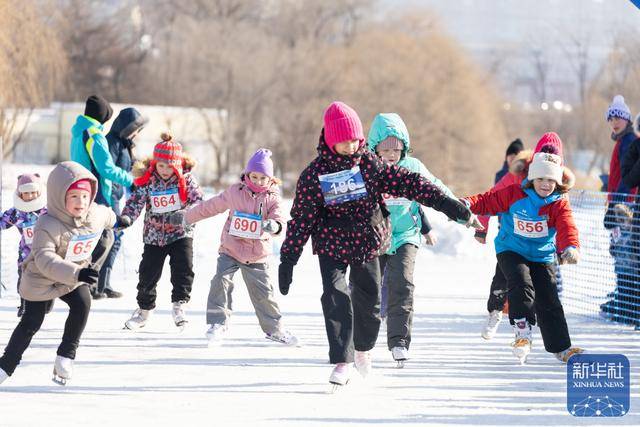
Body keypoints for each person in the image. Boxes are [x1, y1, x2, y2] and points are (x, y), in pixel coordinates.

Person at [278, 101, 482, 388]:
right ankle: (342, 359)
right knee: (335, 297)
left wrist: (454, 208)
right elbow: (302, 219)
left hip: (367, 240)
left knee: (369, 299)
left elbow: (413, 184)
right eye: (344, 142)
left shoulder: (369, 164)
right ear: (331, 141)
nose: (351, 147)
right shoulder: (315, 175)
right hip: (331, 242)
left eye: (355, 140)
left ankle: (362, 348)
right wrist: (288, 258)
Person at [0, 161, 124, 385]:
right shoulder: (46, 223)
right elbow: (45, 258)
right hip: (40, 279)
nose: (81, 202)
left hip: (71, 278)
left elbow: (106, 215)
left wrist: (118, 220)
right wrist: (78, 273)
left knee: (82, 303)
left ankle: (65, 356)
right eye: (74, 196)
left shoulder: (93, 214)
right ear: (59, 196)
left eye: (85, 196)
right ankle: (5, 366)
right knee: (31, 322)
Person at [465, 149, 583, 364]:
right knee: (521, 283)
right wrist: (465, 205)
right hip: (511, 249)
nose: (545, 184)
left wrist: (571, 246)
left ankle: (561, 347)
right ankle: (522, 333)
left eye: (551, 180)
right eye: (541, 179)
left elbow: (567, 226)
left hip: (542, 255)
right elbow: (487, 201)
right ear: (532, 178)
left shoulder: (559, 202)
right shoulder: (513, 194)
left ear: (557, 182)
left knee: (549, 298)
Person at [183, 149, 299, 346]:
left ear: (270, 179)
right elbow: (211, 206)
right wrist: (188, 217)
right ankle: (217, 323)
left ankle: (275, 329)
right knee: (220, 281)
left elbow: (279, 218)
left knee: (263, 293)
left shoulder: (272, 197)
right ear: (247, 175)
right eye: (254, 177)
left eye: (263, 178)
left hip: (257, 253)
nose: (258, 181)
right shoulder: (235, 192)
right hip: (231, 248)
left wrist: (274, 226)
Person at [366, 112, 453, 366]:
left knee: (402, 283)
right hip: (375, 236)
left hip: (405, 236)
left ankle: (399, 342)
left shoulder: (413, 167)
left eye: (397, 148)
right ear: (375, 149)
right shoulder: (369, 169)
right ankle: (361, 341)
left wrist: (457, 208)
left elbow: (435, 187)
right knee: (367, 288)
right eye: (385, 149)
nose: (391, 154)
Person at [476, 133, 573, 340]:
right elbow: (491, 198)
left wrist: (563, 248)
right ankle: (495, 311)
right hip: (512, 237)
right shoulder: (519, 173)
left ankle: (534, 324)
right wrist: (481, 228)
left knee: (536, 284)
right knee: (504, 278)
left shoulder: (556, 183)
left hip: (539, 245)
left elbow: (563, 221)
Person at [120, 133, 203, 330]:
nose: (165, 170)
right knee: (148, 273)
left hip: (181, 233)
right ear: (155, 164)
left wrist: (186, 214)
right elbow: (135, 202)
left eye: (170, 166)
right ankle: (144, 310)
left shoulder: (187, 180)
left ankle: (179, 305)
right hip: (154, 235)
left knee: (183, 268)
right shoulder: (148, 180)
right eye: (161, 165)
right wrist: (127, 217)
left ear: (178, 165)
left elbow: (199, 201)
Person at [70, 95, 135, 300]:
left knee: (91, 238)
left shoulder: (78, 131)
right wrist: (130, 180)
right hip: (96, 193)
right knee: (106, 237)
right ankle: (87, 283)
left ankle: (84, 282)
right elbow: (106, 168)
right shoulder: (94, 135)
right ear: (103, 115)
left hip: (80, 190)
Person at [95, 107, 148, 299]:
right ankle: (98, 283)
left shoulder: (125, 144)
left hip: (117, 196)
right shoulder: (112, 142)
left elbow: (129, 166)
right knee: (111, 238)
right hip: (108, 196)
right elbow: (108, 170)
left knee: (114, 239)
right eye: (135, 130)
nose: (137, 134)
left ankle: (104, 282)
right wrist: (129, 181)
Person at [0, 173, 47, 316]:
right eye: (26, 193)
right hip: (25, 254)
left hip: (46, 252)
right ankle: (24, 305)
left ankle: (47, 301)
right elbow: (3, 222)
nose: (30, 196)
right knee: (24, 280)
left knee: (46, 279)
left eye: (33, 192)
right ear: (20, 194)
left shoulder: (47, 210)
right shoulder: (17, 212)